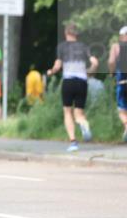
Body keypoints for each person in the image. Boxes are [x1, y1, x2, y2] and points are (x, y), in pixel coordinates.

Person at [46, 23, 99, 152]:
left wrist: (51, 72)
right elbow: (95, 62)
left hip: (68, 81)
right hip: (82, 81)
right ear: (77, 34)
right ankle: (83, 123)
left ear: (66, 33)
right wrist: (90, 70)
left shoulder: (62, 47)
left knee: (67, 111)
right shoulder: (84, 46)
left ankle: (73, 142)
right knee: (79, 113)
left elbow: (58, 66)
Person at [108, 25, 127, 143]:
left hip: (122, 82)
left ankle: (126, 125)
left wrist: (111, 73)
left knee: (122, 109)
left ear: (121, 36)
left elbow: (111, 61)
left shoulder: (116, 46)